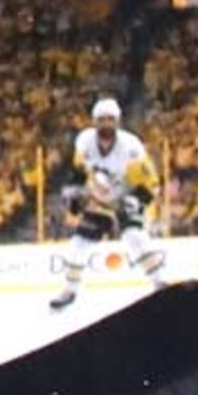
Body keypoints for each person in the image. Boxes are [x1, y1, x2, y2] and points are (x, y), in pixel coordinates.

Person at [49, 93, 166, 312]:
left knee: (135, 238)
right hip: (99, 198)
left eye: (110, 119)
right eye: (101, 120)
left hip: (126, 195)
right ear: (94, 122)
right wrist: (76, 197)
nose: (106, 124)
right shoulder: (84, 141)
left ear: (118, 121)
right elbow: (79, 170)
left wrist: (138, 201)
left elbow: (150, 180)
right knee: (79, 245)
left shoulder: (131, 146)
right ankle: (69, 290)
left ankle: (160, 283)